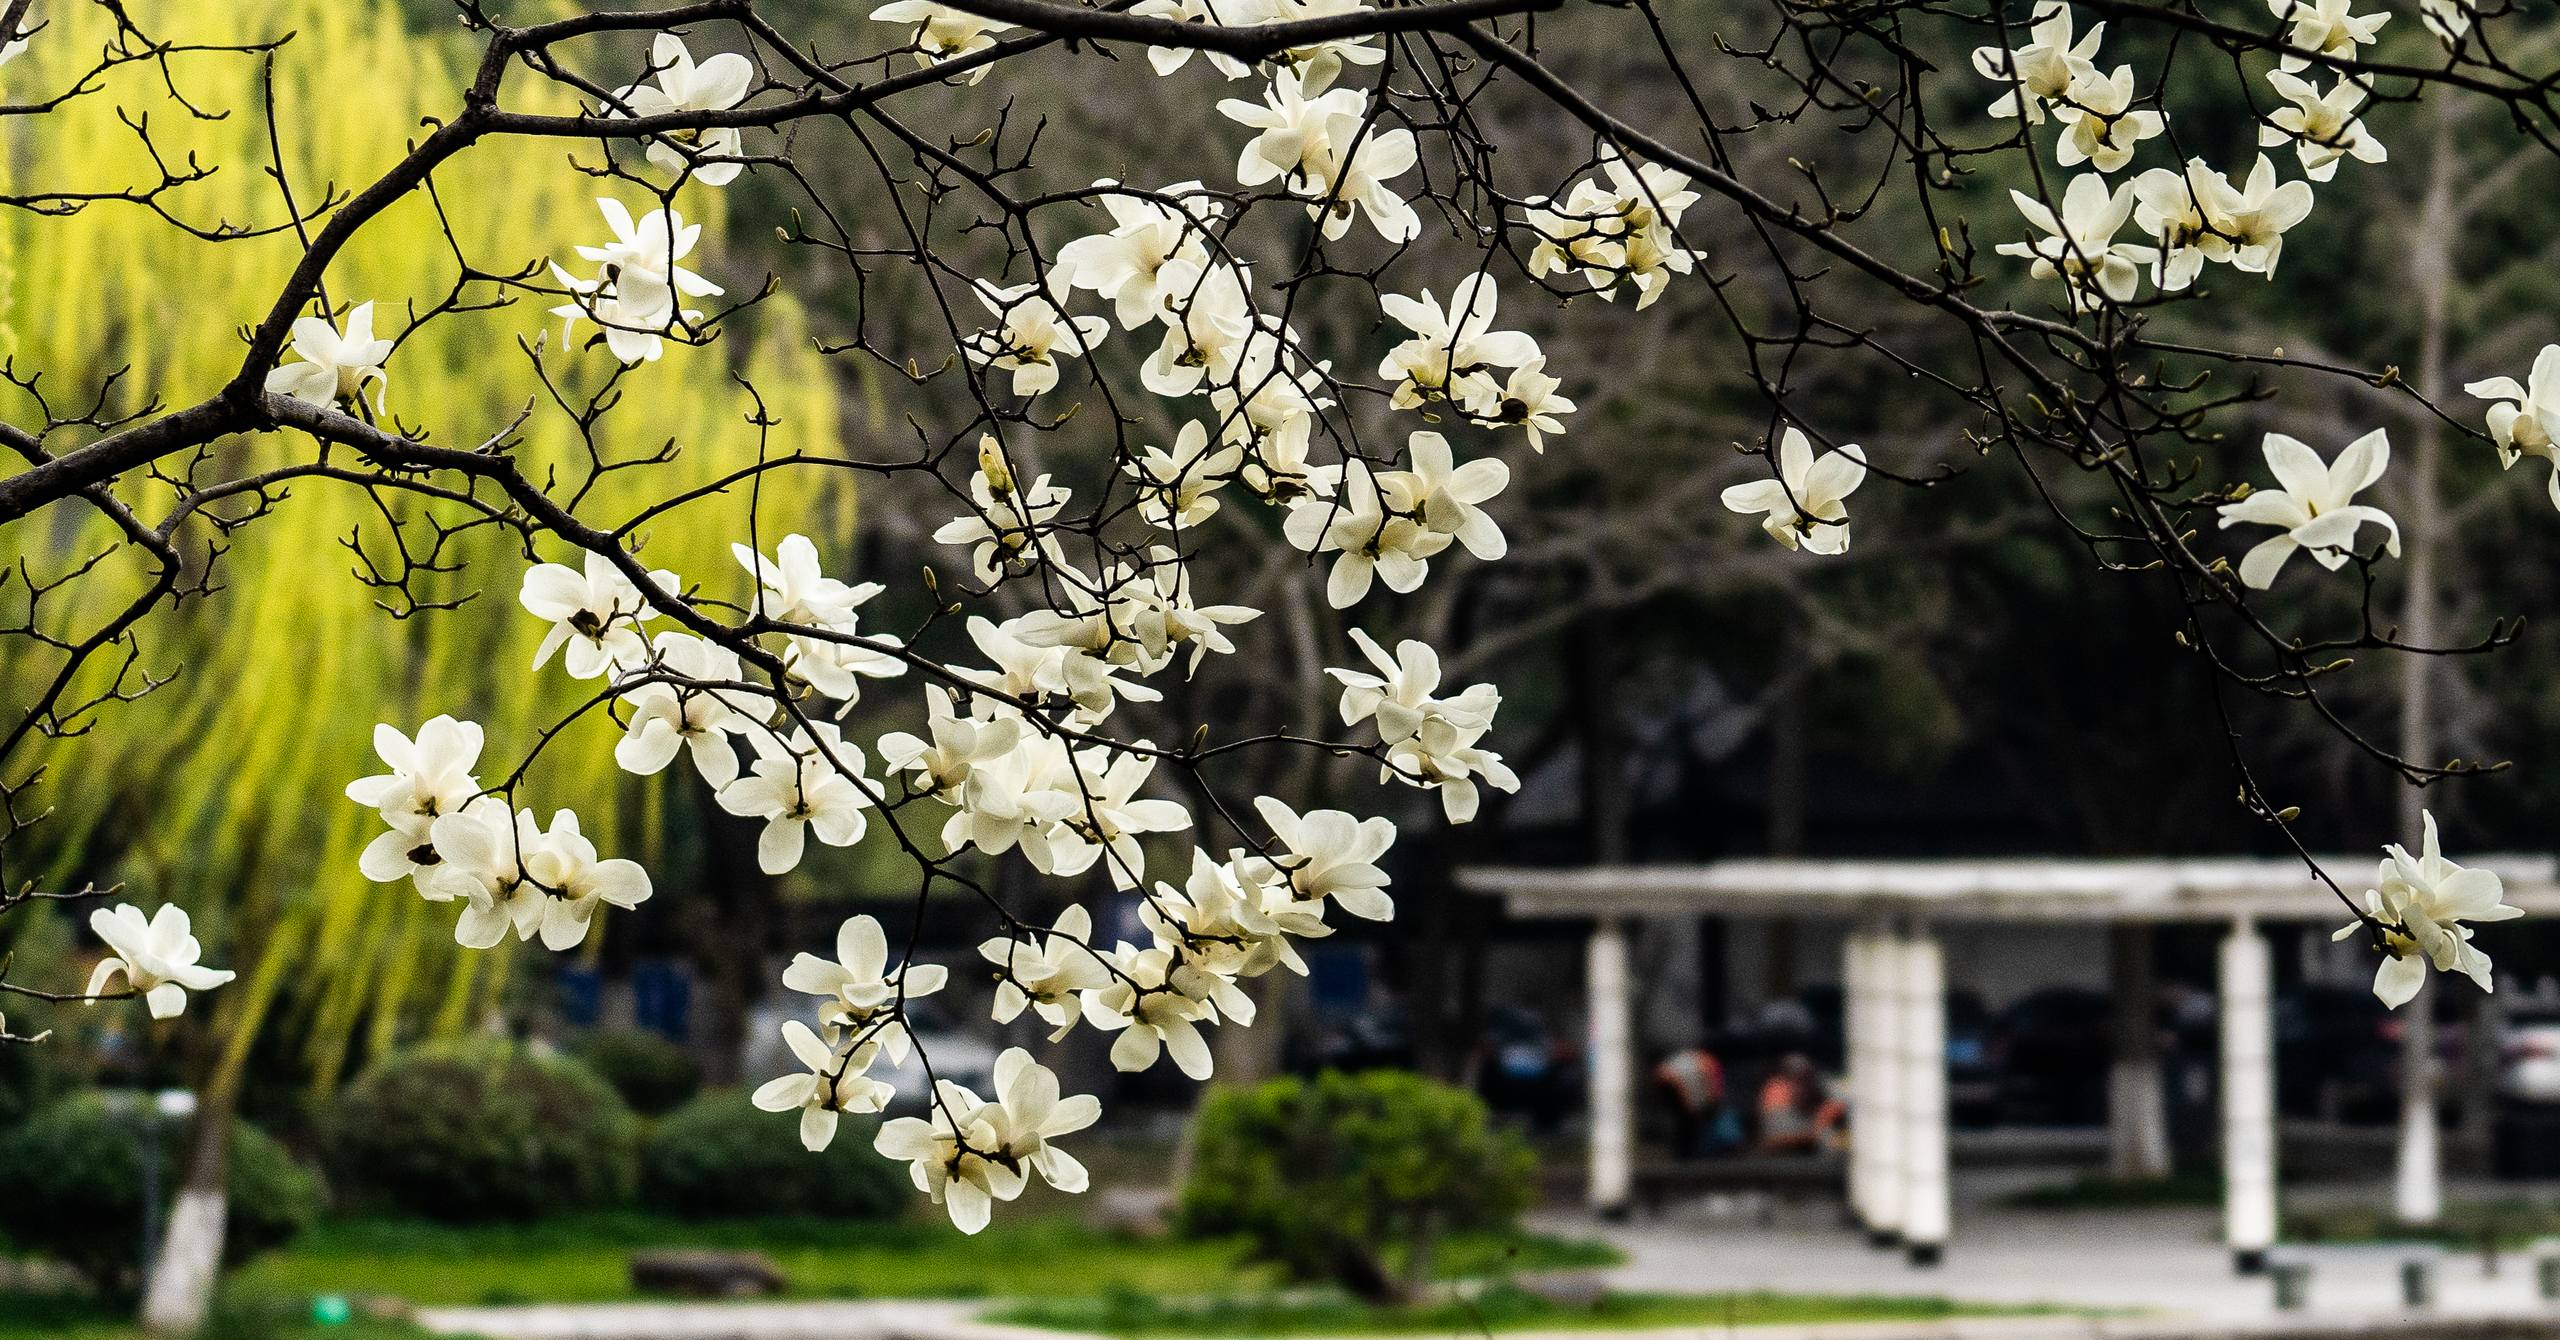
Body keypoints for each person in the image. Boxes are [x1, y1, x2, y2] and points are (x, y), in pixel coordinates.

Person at [1651, 1046, 1739, 1157]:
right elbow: (1714, 1091)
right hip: (1673, 1085)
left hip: (1674, 1084)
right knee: (1688, 1123)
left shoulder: (1699, 1061)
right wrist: (1690, 1104)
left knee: (1689, 1122)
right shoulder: (1707, 1063)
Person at [1756, 1052, 1845, 1154]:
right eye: (1796, 1079)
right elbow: (1774, 1140)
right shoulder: (1776, 1093)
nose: (1801, 1086)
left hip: (1822, 1159)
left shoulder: (1818, 1095)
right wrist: (1820, 1125)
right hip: (1785, 1162)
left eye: (1806, 1079)